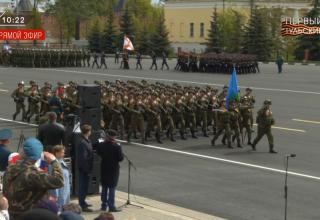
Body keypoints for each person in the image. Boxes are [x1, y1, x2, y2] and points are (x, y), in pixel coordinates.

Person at [2, 138, 63, 219]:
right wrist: (54, 161)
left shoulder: (10, 169)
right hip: (29, 216)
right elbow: (59, 181)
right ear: (39, 155)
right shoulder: (33, 175)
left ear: (21, 152)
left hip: (10, 215)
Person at [96, 129, 124, 212]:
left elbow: (98, 152)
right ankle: (111, 206)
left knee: (104, 187)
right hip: (113, 169)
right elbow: (120, 158)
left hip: (104, 167)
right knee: (112, 188)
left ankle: (103, 205)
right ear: (114, 137)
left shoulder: (101, 145)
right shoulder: (117, 146)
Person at [76, 124, 94, 212]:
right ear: (88, 132)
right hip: (84, 169)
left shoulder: (86, 141)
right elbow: (83, 158)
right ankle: (82, 205)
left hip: (87, 167)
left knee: (85, 186)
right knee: (83, 187)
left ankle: (83, 201)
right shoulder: (83, 143)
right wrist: (86, 170)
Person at [50, 145, 70, 211]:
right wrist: (55, 196)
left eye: (64, 152)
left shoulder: (62, 162)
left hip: (65, 192)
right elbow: (54, 181)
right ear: (56, 153)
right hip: (60, 194)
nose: (64, 154)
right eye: (62, 152)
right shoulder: (53, 165)